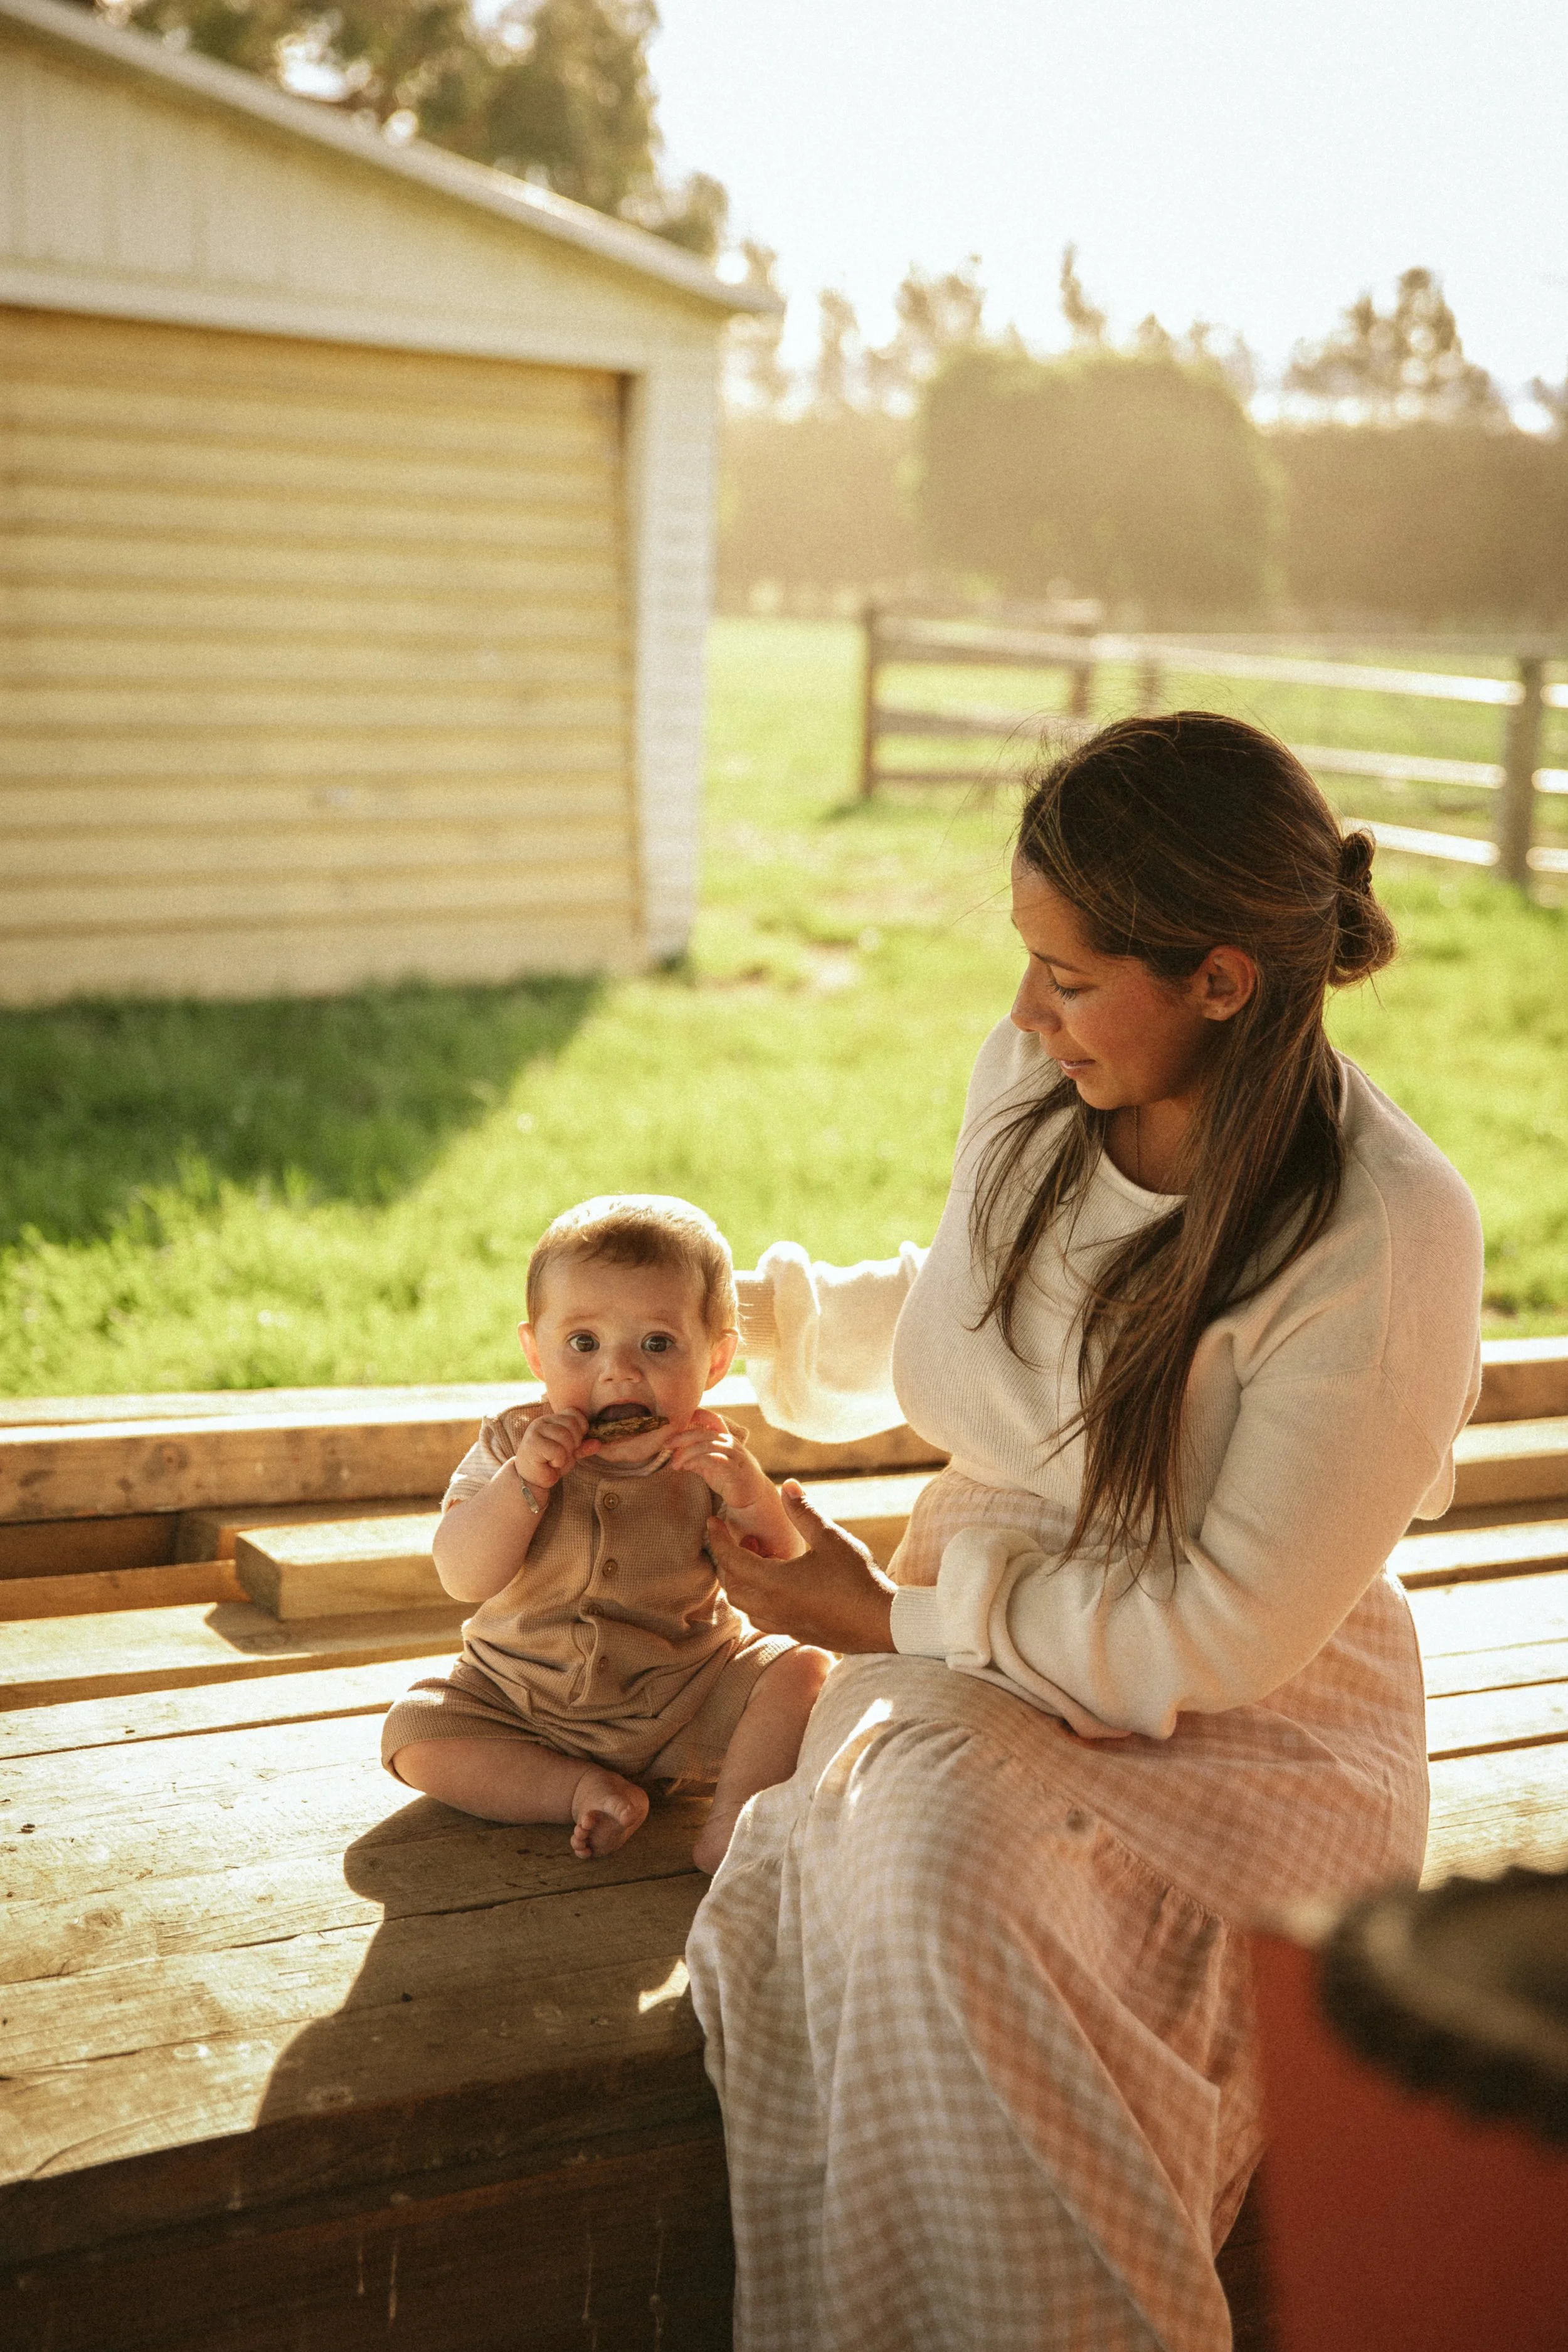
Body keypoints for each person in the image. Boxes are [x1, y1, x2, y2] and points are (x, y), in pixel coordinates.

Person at [686, 713, 1484, 2352]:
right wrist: (763, 1333)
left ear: (1220, 979)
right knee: (916, 1848)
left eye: (1065, 974)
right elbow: (993, 1305)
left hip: (1257, 1726)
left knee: (940, 1869)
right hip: (995, 1646)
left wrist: (884, 1610)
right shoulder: (1048, 1074)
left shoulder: (1381, 1229)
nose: (1021, 1011)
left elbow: (1211, 1638)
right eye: (1022, 960)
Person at [381, 1195, 831, 1872]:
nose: (618, 1371)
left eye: (656, 1343)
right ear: (536, 1352)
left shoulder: (712, 1458)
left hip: (683, 1698)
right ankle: (575, 1789)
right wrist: (524, 1484)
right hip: (519, 1700)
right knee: (413, 1733)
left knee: (802, 1671)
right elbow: (462, 1575)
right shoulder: (513, 1445)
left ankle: (735, 1822)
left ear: (715, 1359)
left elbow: (789, 1570)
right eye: (583, 1344)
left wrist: (749, 1496)